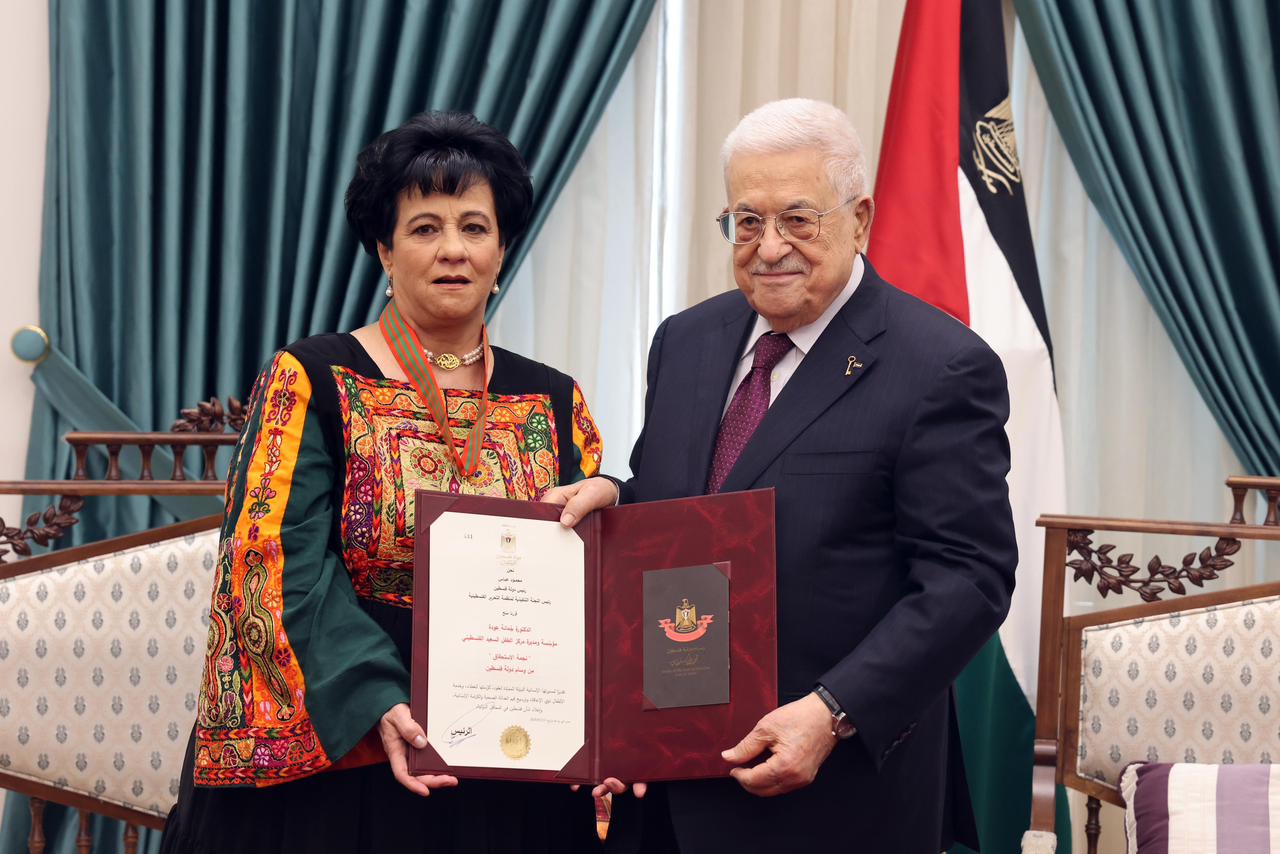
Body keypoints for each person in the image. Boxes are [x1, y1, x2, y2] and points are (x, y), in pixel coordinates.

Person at [545, 98, 1018, 853]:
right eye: (747, 221)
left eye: (798, 219)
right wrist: (619, 498)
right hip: (666, 787)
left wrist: (834, 711)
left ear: (859, 220)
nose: (769, 248)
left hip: (832, 795)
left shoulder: (940, 366)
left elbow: (969, 577)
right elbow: (696, 501)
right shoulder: (684, 341)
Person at [161, 111, 603, 853]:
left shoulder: (554, 399)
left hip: (511, 739)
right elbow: (272, 556)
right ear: (385, 251)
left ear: (501, 250)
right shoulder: (313, 377)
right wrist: (374, 696)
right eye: (426, 228)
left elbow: (588, 577)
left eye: (475, 227)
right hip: (348, 736)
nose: (453, 249)